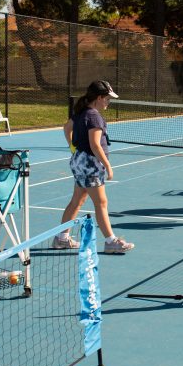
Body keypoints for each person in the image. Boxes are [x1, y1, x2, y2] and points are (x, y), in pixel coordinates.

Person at [55, 80, 134, 253]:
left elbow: (66, 128)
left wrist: (73, 148)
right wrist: (108, 166)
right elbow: (95, 145)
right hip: (90, 164)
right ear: (99, 98)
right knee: (101, 203)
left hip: (79, 161)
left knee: (77, 201)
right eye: (107, 99)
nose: (108, 102)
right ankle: (111, 241)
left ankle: (62, 238)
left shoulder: (82, 112)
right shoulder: (94, 116)